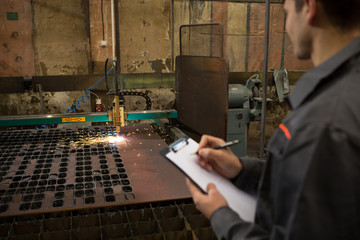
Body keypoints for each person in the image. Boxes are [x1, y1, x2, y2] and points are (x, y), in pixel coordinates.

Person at [186, 0, 360, 239]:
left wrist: (221, 216)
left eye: (286, 13)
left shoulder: (323, 123)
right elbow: (308, 183)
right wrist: (241, 170)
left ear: (310, 8)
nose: (287, 27)